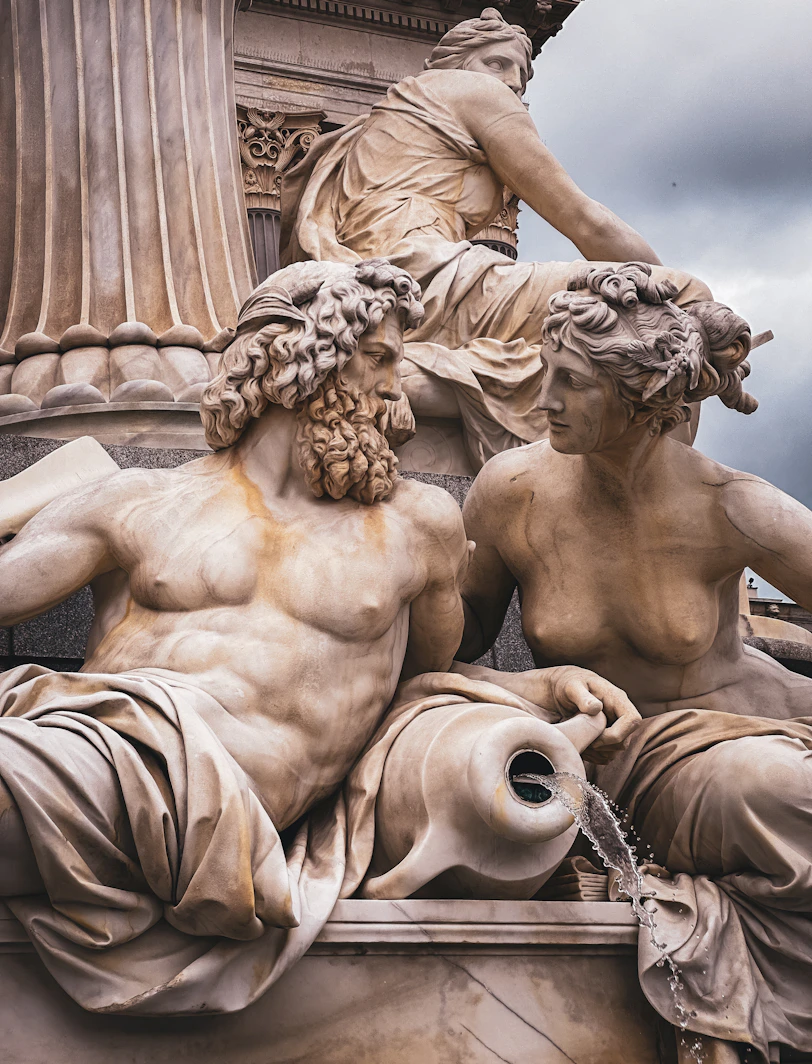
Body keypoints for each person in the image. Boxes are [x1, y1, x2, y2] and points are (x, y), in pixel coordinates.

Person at [0, 258, 636, 1016]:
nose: (396, 391)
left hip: (209, 803)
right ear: (297, 355)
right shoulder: (137, 500)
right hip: (92, 742)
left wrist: (536, 686)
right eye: (379, 359)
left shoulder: (417, 525)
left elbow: (424, 677)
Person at [454, 261, 812, 1064]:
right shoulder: (512, 491)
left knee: (778, 787)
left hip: (723, 743)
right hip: (595, 763)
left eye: (571, 383)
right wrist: (529, 682)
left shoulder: (732, 505)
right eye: (546, 372)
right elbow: (442, 657)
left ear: (642, 397)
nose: (542, 402)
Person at [281, 7, 710, 445]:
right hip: (426, 277)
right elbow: (584, 221)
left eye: (520, 77)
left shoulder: (392, 113)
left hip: (381, 284)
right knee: (686, 299)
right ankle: (656, 488)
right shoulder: (473, 92)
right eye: (497, 63)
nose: (509, 83)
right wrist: (663, 295)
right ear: (457, 63)